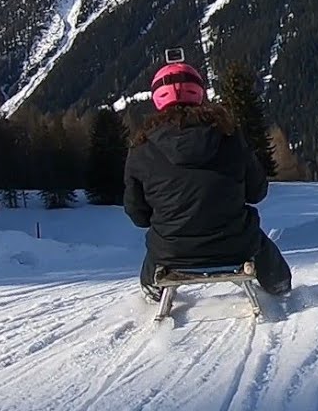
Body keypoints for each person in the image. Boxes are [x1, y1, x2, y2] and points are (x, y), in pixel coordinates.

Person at [123, 60, 292, 301]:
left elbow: (137, 215)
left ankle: (153, 291)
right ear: (200, 93)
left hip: (170, 250)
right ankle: (279, 286)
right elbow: (257, 192)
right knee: (258, 243)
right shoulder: (230, 137)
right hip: (236, 244)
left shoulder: (141, 148)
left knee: (157, 249)